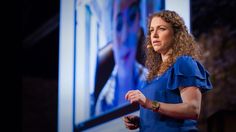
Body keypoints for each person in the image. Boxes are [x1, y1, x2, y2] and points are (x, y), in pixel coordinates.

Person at [123, 10, 212, 131]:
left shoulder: (183, 63)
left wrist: (149, 103)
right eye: (151, 30)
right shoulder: (154, 74)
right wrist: (143, 121)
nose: (154, 35)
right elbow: (162, 112)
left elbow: (193, 109)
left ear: (176, 34)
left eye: (161, 29)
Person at [95, 0, 146, 115]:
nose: (124, 37)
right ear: (111, 34)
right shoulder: (102, 102)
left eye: (132, 18)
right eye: (118, 25)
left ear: (139, 26)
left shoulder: (155, 86)